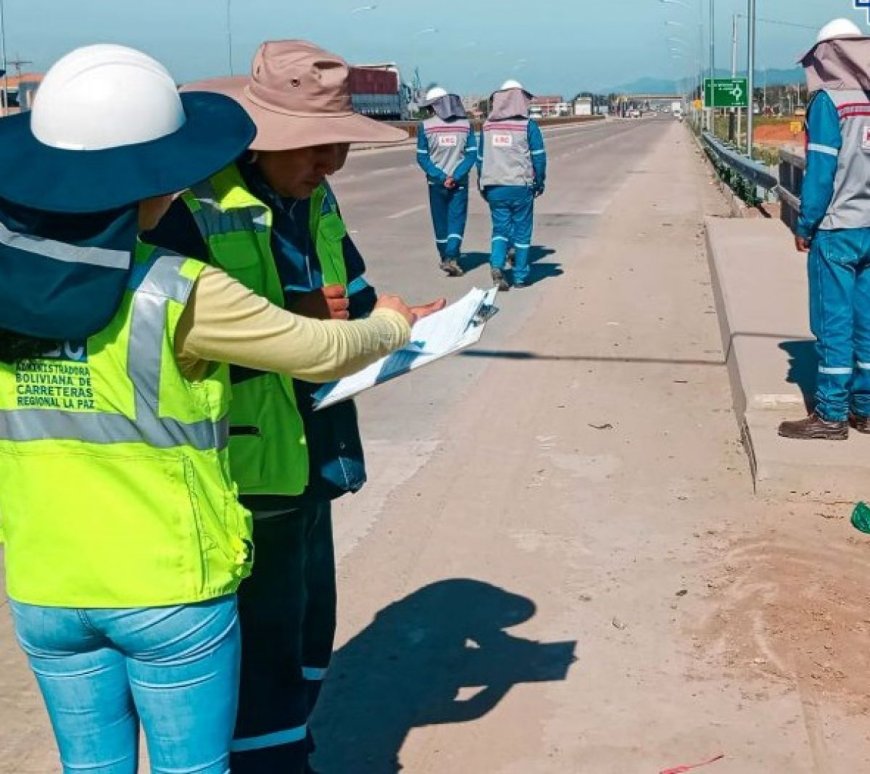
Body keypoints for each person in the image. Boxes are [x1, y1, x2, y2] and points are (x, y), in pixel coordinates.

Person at [0, 44, 422, 774]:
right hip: (169, 579)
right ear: (157, 176)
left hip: (47, 581)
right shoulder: (177, 289)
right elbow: (315, 350)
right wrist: (392, 323)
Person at [146, 40, 444, 773]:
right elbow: (166, 339)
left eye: (338, 147)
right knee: (262, 648)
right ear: (261, 140)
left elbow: (354, 291)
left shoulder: (316, 196)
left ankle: (286, 744)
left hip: (315, 447)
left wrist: (406, 326)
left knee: (309, 635)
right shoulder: (191, 207)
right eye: (313, 149)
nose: (328, 165)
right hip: (242, 464)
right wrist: (307, 317)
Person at [779, 18, 870, 440]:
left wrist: (805, 222)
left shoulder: (828, 102)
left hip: (836, 227)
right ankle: (865, 409)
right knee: (867, 321)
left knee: (833, 320)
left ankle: (831, 414)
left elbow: (819, 173)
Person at [477, 79, 547, 291]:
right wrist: (540, 181)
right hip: (520, 186)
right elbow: (539, 158)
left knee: (500, 229)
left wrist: (482, 183)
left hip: (494, 186)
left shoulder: (487, 126)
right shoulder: (528, 126)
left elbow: (480, 158)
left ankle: (497, 265)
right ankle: (520, 276)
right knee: (522, 232)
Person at [416, 85, 478, 277]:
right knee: (457, 220)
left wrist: (442, 177)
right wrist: (455, 176)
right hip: (459, 183)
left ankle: (445, 257)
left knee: (440, 222)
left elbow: (422, 157)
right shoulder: (466, 125)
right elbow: (471, 155)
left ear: (433, 107)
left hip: (436, 183)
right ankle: (452, 256)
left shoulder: (425, 127)